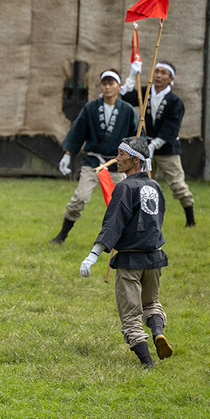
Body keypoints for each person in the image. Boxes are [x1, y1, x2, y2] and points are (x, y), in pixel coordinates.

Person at [79, 136, 172, 368]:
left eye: (121, 155)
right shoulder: (156, 186)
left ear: (135, 160)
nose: (116, 159)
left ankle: (148, 364)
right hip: (155, 258)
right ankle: (158, 332)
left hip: (130, 261)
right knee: (151, 305)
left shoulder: (123, 187)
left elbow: (113, 224)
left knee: (131, 316)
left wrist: (93, 255)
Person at [49, 69, 137, 244]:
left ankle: (125, 239)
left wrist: (138, 157)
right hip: (93, 161)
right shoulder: (91, 108)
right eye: (104, 83)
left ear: (119, 86)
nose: (107, 87)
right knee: (80, 198)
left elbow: (135, 137)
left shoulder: (127, 110)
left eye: (111, 83)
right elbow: (78, 132)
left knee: (121, 202)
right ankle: (62, 235)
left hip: (116, 162)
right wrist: (68, 155)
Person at [120, 58, 194, 227]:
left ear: (171, 79)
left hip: (167, 149)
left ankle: (190, 220)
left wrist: (154, 145)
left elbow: (171, 127)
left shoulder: (175, 102)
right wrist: (132, 75)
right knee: (142, 183)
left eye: (163, 73)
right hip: (146, 149)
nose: (159, 76)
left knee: (177, 184)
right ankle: (140, 218)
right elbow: (124, 97)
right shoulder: (143, 92)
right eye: (157, 71)